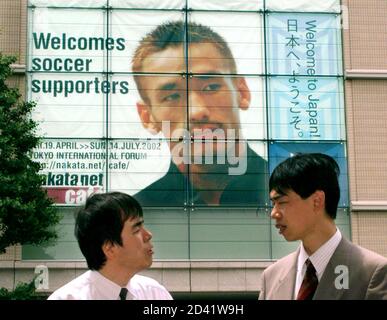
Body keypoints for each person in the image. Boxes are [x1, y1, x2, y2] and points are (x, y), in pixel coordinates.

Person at [132, 20, 267, 206]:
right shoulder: (132, 216)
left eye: (211, 87)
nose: (197, 111)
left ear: (242, 93)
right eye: (172, 96)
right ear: (147, 117)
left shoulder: (305, 194)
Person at [259, 153, 387, 300]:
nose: (274, 213)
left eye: (281, 202)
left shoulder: (372, 273)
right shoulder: (271, 277)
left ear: (317, 201)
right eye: (272, 204)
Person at [47, 192, 172, 300]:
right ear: (110, 247)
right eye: (137, 228)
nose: (148, 235)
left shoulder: (155, 293)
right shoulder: (68, 297)